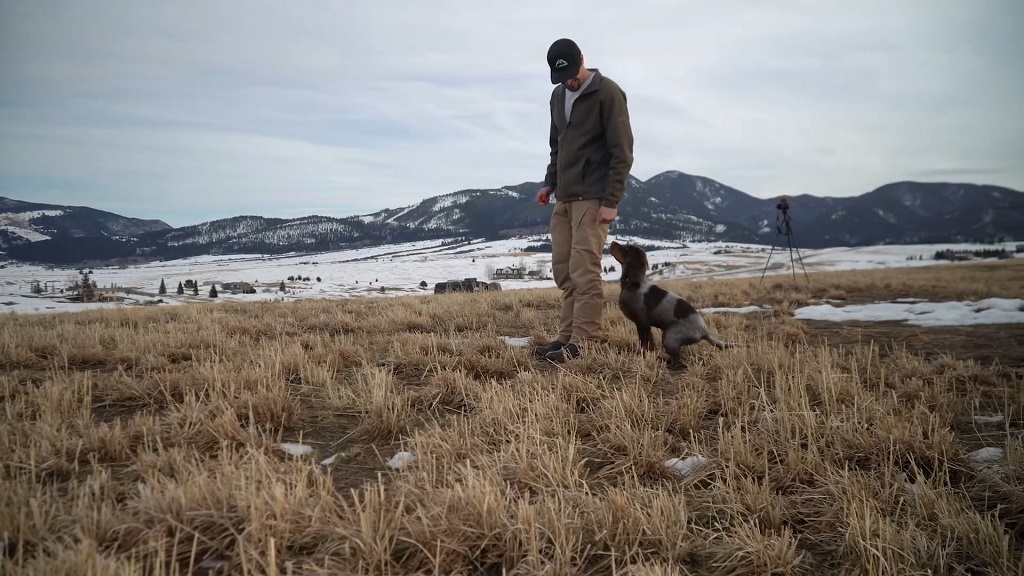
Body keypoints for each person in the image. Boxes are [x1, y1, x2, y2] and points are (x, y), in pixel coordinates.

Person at [533, 38, 634, 362]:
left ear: (581, 59)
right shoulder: (557, 96)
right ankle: (567, 337)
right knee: (564, 269)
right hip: (564, 196)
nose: (569, 81)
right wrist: (550, 182)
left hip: (593, 196)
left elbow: (622, 153)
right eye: (562, 77)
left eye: (572, 74)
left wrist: (611, 199)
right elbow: (557, 146)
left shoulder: (608, 93)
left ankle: (586, 340)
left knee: (584, 269)